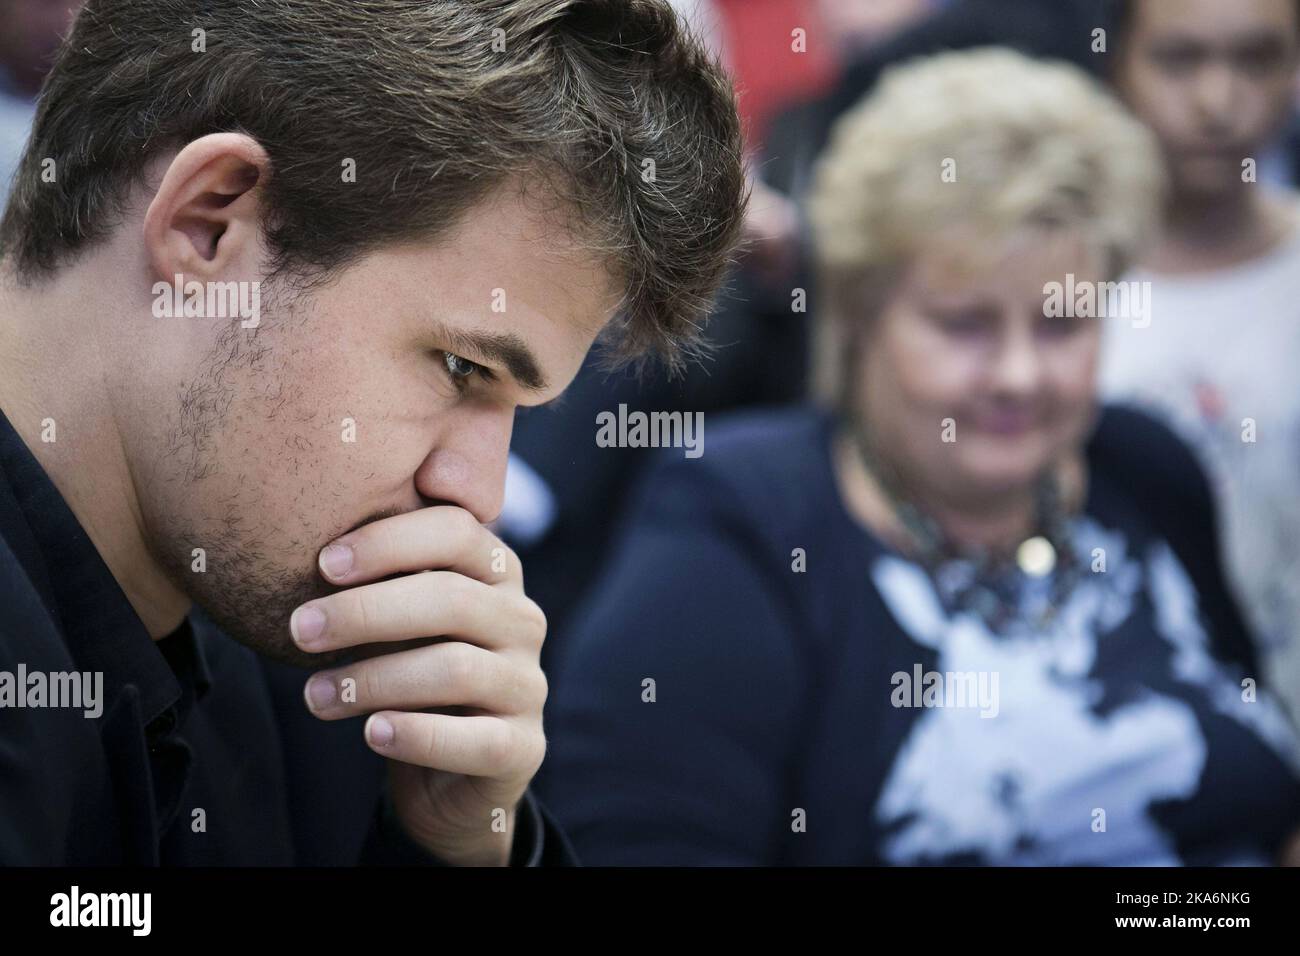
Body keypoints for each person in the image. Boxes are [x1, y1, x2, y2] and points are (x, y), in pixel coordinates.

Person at [0, 0, 747, 865]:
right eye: (463, 369)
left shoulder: (317, 656)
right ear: (208, 221)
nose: (481, 496)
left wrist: (454, 846)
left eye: (520, 414)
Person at [537, 48, 1300, 865]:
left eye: (1061, 324)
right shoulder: (742, 520)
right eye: (964, 324)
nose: (1017, 375)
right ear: (861, 316)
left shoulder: (1143, 467)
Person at [1099, 0, 1300, 728]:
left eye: (1257, 58)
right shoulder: (1052, 289)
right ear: (1117, 61)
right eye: (1179, 60)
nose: (1219, 101)